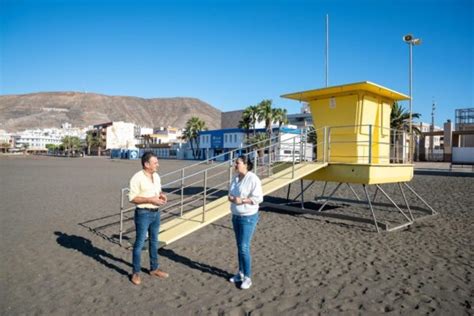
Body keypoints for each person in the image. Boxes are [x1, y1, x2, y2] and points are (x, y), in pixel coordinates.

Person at [128, 151, 168, 285]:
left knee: (154, 241)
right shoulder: (137, 178)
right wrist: (150, 200)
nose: (158, 165)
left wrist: (162, 196)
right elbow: (132, 198)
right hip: (143, 213)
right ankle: (136, 273)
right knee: (139, 244)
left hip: (156, 213)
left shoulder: (156, 176)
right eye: (155, 162)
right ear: (146, 164)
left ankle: (154, 268)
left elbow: (158, 191)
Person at [228, 155, 263, 289]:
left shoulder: (253, 178)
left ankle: (247, 277)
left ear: (246, 164)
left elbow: (258, 198)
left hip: (248, 217)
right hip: (236, 216)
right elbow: (231, 194)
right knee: (239, 247)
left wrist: (242, 200)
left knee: (244, 247)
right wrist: (232, 199)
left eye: (237, 163)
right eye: (235, 163)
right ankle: (241, 273)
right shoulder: (235, 178)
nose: (235, 165)